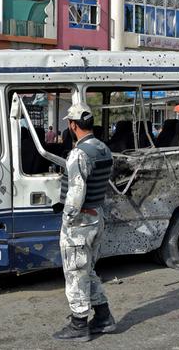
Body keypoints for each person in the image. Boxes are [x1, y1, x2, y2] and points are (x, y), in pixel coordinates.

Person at [53, 102, 115, 342]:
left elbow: (76, 192)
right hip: (96, 216)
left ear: (72, 125)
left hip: (80, 222)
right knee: (87, 271)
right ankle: (103, 318)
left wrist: (67, 219)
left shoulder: (79, 154)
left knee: (75, 272)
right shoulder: (103, 149)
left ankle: (79, 324)